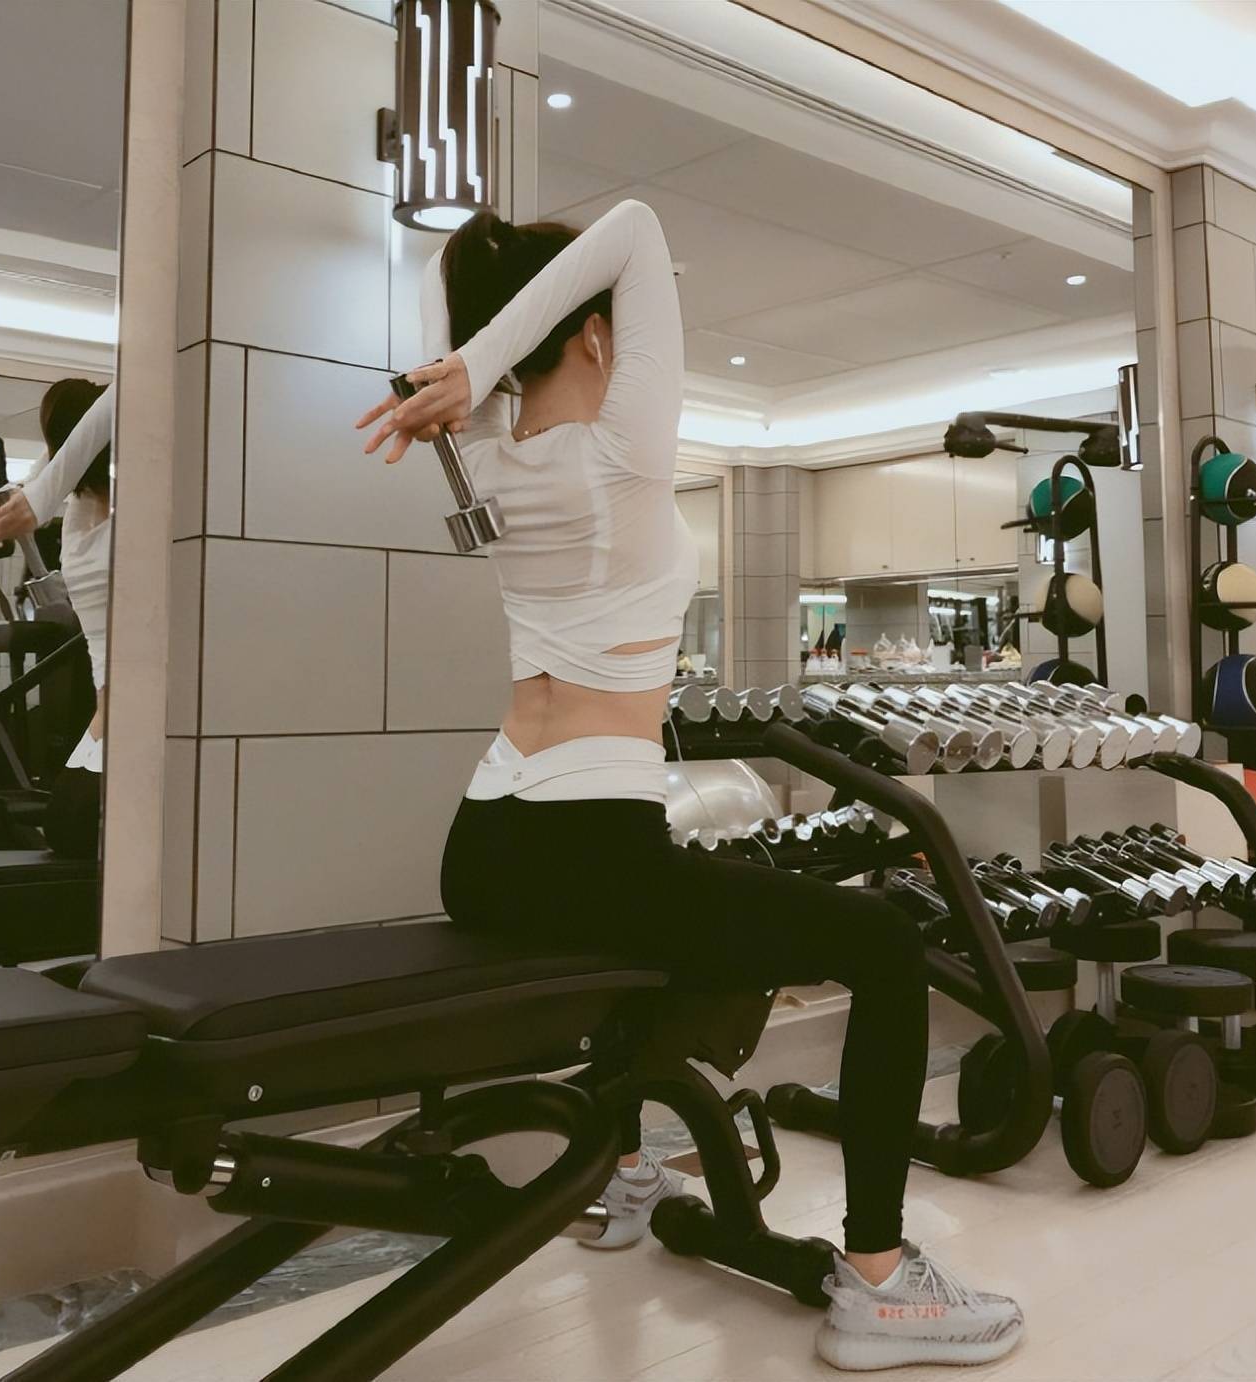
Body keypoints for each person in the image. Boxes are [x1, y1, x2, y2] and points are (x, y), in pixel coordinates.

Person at [357, 199, 1023, 1371]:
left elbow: (459, 278)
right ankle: (878, 1282)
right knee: (880, 941)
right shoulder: (620, 451)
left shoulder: (493, 455)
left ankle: (623, 1170)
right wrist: (479, 356)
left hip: (484, 842)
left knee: (679, 925)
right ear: (595, 334)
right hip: (587, 842)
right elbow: (635, 224)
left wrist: (468, 361)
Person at [0, 379, 113, 857]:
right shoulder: (87, 519)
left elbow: (117, 398)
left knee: (71, 832)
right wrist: (39, 490)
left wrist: (41, 491)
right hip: (109, 717)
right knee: (69, 833)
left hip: (128, 717)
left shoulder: (89, 528)